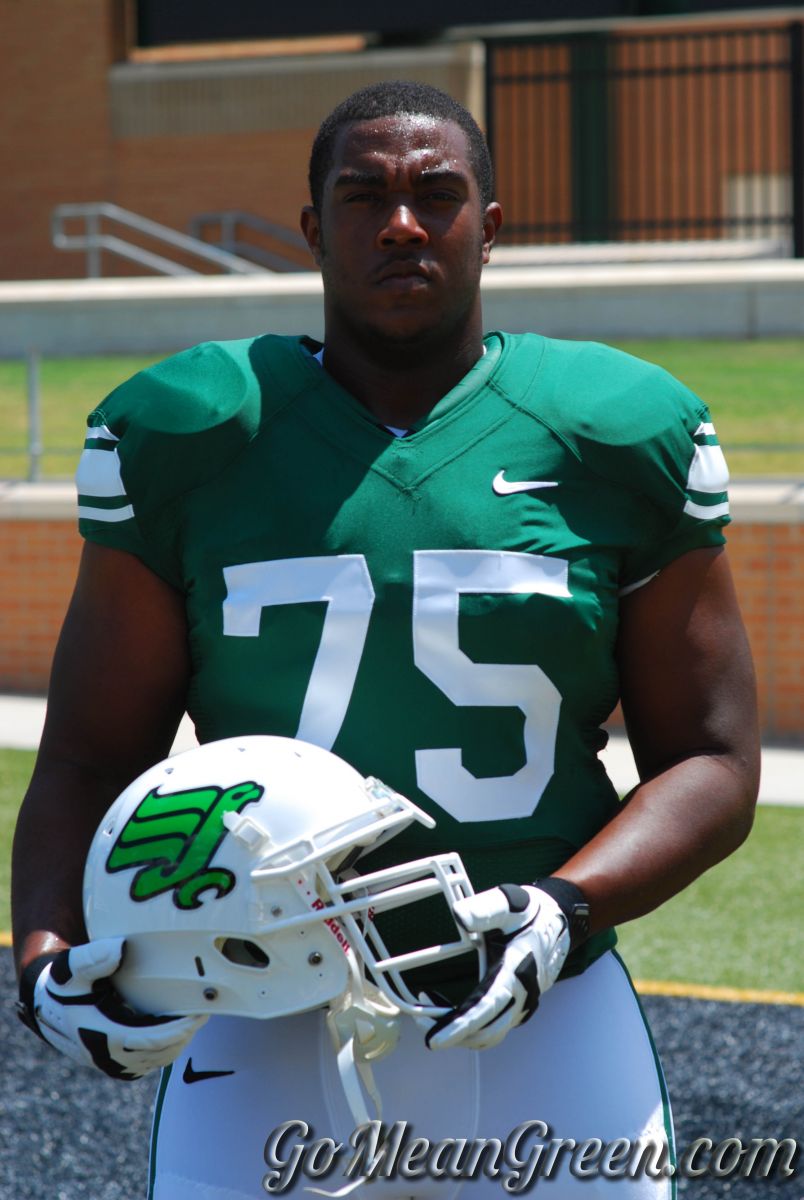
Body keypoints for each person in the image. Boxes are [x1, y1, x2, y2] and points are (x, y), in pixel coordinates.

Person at [12, 80, 759, 1199]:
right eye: (363, 196)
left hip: (540, 1005)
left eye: (436, 194)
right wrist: (43, 960)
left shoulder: (612, 431)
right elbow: (85, 755)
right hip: (258, 1001)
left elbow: (712, 759)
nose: (401, 222)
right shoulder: (195, 432)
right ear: (314, 229)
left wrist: (566, 907)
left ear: (491, 227)